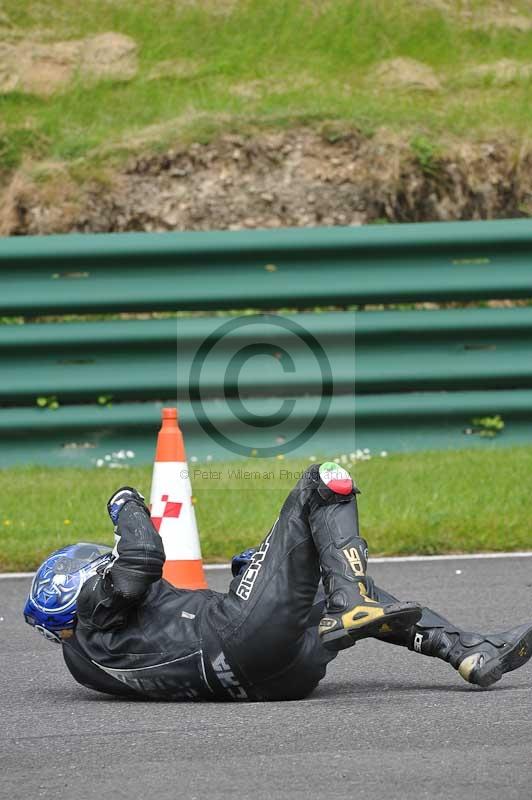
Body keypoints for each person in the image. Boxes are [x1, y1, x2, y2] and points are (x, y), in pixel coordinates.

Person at [24, 462, 532, 701]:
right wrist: (125, 500)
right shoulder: (96, 613)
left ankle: (465, 650)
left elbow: (166, 632)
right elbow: (141, 559)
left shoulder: (85, 666)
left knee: (308, 577)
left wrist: (251, 575)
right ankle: (350, 601)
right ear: (77, 593)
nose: (103, 567)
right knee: (324, 483)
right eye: (94, 569)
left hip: (279, 681)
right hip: (239, 633)